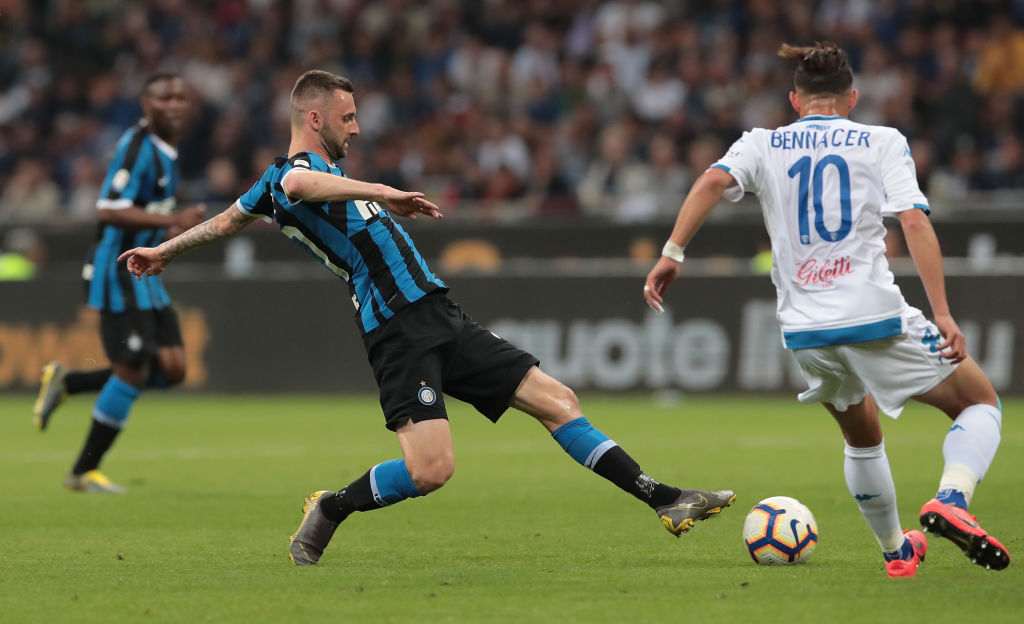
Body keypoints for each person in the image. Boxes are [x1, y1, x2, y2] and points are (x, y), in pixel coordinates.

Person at [117, 70, 735, 565]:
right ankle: (331, 506)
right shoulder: (287, 177)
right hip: (395, 329)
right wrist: (383, 192)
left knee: (558, 400)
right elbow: (295, 190)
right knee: (432, 470)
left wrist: (164, 251)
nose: (356, 127)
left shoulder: (322, 176)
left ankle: (665, 499)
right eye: (347, 117)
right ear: (314, 119)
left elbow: (224, 222)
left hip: (439, 312)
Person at [644, 42, 1009, 578]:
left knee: (861, 438)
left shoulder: (762, 142)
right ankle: (953, 499)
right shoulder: (882, 140)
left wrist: (672, 253)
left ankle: (897, 553)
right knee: (980, 403)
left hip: (805, 330)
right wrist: (944, 314)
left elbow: (712, 181)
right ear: (852, 98)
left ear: (795, 100)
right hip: (873, 315)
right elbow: (913, 221)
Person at [33, 73, 206, 493]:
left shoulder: (167, 151)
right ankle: (82, 472)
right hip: (117, 269)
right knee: (132, 371)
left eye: (180, 97)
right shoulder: (137, 147)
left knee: (173, 368)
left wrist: (169, 235)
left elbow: (147, 212)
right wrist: (174, 219)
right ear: (146, 104)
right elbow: (109, 208)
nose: (174, 104)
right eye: (164, 97)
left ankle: (69, 382)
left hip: (145, 269)